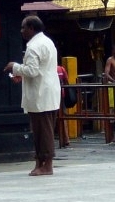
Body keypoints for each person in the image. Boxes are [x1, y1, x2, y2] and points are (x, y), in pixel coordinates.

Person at [4, 15, 59, 176]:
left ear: (31, 28)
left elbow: (32, 70)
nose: (21, 31)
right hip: (48, 91)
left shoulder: (34, 46)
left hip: (41, 94)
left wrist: (15, 67)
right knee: (43, 129)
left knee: (43, 130)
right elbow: (38, 69)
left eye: (23, 28)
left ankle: (46, 164)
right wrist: (21, 73)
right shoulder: (48, 42)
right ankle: (40, 162)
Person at [57, 64, 70, 147]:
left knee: (51, 118)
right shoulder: (61, 69)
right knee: (63, 117)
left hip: (51, 96)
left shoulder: (48, 69)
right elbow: (67, 82)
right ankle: (66, 139)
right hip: (61, 95)